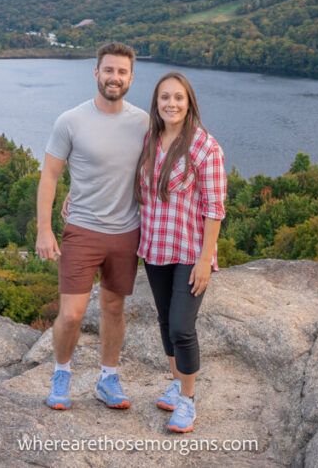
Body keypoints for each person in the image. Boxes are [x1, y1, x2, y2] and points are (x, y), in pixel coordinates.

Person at [36, 42, 149, 411]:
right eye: (109, 70)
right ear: (96, 73)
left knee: (114, 308)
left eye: (122, 72)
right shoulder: (71, 121)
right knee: (71, 313)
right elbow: (50, 176)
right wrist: (44, 229)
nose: (114, 77)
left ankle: (107, 378)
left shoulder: (144, 123)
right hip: (82, 230)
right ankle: (62, 372)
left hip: (126, 231)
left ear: (131, 78)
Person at [134, 71, 226, 433]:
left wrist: (205, 259)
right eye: (164, 98)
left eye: (178, 98)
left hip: (189, 250)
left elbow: (215, 208)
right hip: (156, 246)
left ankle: (187, 400)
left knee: (181, 327)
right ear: (156, 104)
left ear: (189, 103)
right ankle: (176, 384)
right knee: (163, 321)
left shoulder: (205, 147)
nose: (171, 104)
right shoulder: (150, 140)